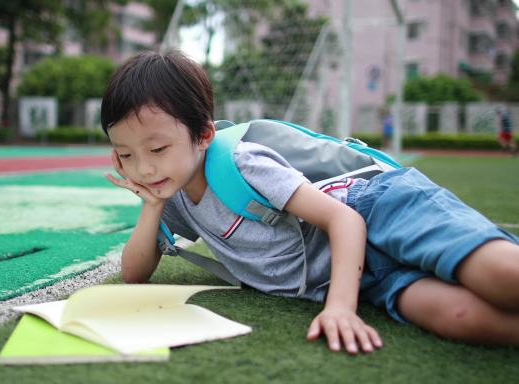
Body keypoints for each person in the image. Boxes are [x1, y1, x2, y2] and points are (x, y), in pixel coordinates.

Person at [101, 51, 519, 355]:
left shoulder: (242, 164)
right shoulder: (170, 197)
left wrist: (340, 308)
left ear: (204, 135)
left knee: (502, 275)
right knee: (462, 319)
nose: (144, 168)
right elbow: (135, 275)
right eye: (125, 154)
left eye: (157, 149)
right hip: (366, 277)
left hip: (379, 207)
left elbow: (346, 220)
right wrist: (152, 207)